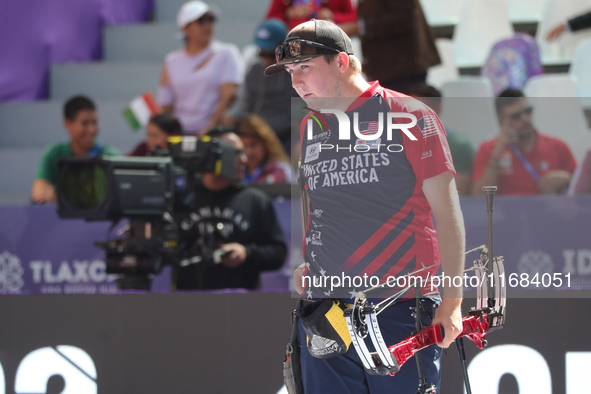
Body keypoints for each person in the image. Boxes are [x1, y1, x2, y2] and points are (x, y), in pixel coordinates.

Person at [265, 20, 465, 393]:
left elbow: (448, 216)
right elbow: (318, 203)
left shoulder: (410, 115)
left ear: (341, 61)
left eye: (305, 67)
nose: (295, 82)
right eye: (291, 71)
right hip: (326, 310)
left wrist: (452, 302)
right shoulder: (311, 127)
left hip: (400, 306)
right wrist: (312, 261)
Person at [172, 128, 287, 290]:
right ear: (214, 154)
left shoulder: (254, 199)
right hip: (187, 303)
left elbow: (278, 253)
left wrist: (246, 252)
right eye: (237, 153)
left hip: (240, 304)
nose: (245, 160)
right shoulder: (182, 196)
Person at [158, 1, 244, 136]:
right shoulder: (171, 61)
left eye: (211, 19)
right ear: (185, 28)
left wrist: (208, 129)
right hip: (180, 135)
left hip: (214, 134)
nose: (207, 25)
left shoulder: (227, 52)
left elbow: (228, 96)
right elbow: (166, 104)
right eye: (200, 21)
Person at [472, 89, 577, 196]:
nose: (525, 118)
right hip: (509, 212)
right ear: (501, 119)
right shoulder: (488, 149)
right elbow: (479, 197)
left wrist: (569, 178)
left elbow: (584, 188)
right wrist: (496, 154)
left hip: (552, 211)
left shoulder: (557, 146)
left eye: (528, 111)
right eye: (516, 116)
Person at [224, 19, 298, 152]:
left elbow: (302, 114)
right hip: (254, 136)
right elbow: (243, 105)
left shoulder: (298, 72)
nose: (266, 59)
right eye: (261, 53)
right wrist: (231, 116)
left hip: (286, 136)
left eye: (271, 54)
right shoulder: (254, 70)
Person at [31, 96, 119, 204]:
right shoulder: (54, 154)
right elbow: (40, 191)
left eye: (95, 122)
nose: (91, 130)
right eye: (85, 123)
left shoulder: (111, 156)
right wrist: (44, 192)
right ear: (67, 124)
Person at [357, 0, 440, 94]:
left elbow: (405, 18)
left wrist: (362, 27)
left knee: (406, 107)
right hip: (388, 68)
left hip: (402, 69)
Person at [408, 84, 475, 195]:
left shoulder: (459, 145)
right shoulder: (398, 143)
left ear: (437, 109)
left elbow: (459, 193)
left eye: (419, 108)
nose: (411, 113)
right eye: (408, 107)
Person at [234, 114, 293, 184]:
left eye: (253, 145)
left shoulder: (282, 171)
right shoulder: (232, 172)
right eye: (243, 146)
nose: (249, 152)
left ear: (265, 143)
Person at [265, 0, 358, 36]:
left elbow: (355, 18)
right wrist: (287, 14)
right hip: (292, 42)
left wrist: (333, 16)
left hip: (327, 40)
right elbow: (269, 22)